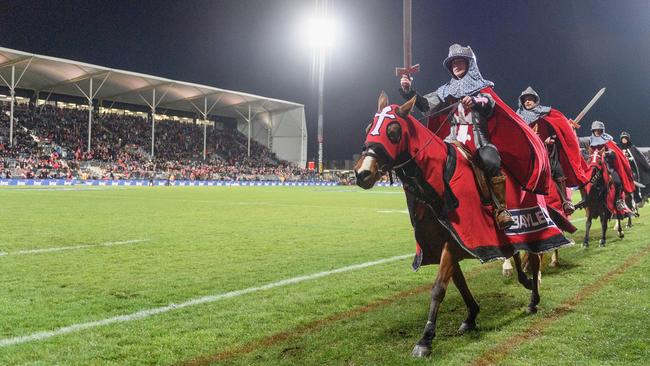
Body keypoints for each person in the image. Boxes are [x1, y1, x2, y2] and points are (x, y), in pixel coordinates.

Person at [399, 44, 550, 230]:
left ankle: (501, 210)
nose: (456, 65)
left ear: (470, 64)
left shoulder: (482, 87)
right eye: (453, 63)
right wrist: (408, 90)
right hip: (452, 140)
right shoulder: (446, 90)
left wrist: (475, 101)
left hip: (478, 140)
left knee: (491, 160)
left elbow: (489, 103)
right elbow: (425, 105)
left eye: (460, 61)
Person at [516, 87, 589, 215]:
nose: (527, 102)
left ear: (535, 101)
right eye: (525, 100)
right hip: (529, 153)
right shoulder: (518, 117)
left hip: (546, 152)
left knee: (556, 169)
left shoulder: (546, 114)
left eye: (530, 99)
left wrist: (554, 136)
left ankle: (566, 201)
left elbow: (559, 130)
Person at [588, 121, 635, 211]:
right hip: (595, 166)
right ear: (593, 131)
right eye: (595, 130)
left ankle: (619, 200)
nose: (597, 132)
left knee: (617, 181)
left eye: (599, 130)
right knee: (586, 181)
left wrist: (607, 153)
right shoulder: (590, 141)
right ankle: (587, 198)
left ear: (602, 131)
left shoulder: (608, 141)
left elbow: (614, 153)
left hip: (608, 166)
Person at [618, 131, 650, 204]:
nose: (624, 140)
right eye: (623, 139)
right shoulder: (618, 148)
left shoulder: (632, 148)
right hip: (623, 171)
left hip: (633, 171)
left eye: (625, 138)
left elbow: (641, 158)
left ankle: (638, 197)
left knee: (635, 183)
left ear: (628, 139)